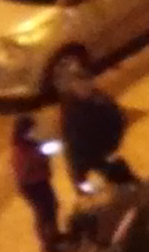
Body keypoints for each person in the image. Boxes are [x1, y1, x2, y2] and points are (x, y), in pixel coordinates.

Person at [52, 64, 132, 208]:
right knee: (92, 197)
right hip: (83, 161)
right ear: (73, 86)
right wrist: (78, 176)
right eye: (78, 84)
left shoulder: (101, 101)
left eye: (85, 83)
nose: (83, 88)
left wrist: (112, 145)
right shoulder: (70, 109)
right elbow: (71, 142)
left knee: (124, 181)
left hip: (103, 154)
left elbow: (119, 119)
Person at [7, 114, 64, 252]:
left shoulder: (31, 143)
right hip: (32, 186)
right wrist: (39, 157)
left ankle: (55, 235)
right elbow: (24, 171)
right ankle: (48, 245)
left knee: (52, 207)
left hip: (40, 181)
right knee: (43, 213)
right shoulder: (20, 150)